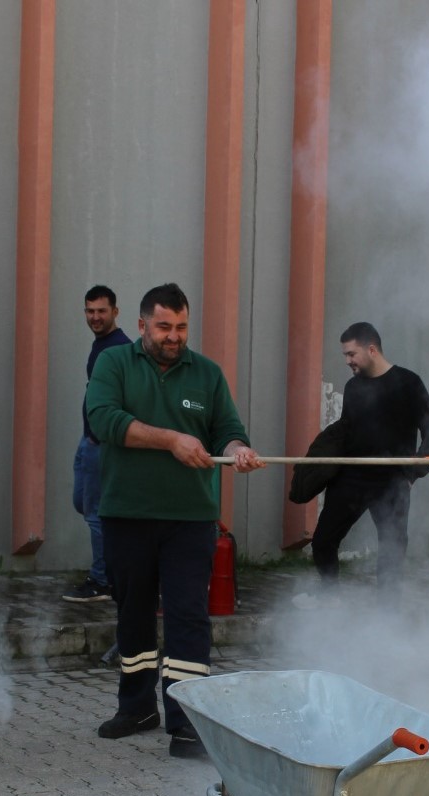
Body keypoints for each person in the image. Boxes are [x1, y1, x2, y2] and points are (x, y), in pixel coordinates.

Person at [84, 282, 264, 758]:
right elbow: (102, 419)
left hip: (190, 520)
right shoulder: (114, 363)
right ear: (142, 324)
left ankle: (187, 723)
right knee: (133, 613)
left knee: (187, 618)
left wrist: (237, 450)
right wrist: (171, 440)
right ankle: (137, 706)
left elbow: (227, 429)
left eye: (181, 327)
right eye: (163, 326)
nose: (173, 336)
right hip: (127, 514)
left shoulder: (206, 373)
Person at [309, 322, 429, 588]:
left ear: (371, 350)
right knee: (323, 541)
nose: (347, 361)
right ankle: (329, 599)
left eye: (351, 354)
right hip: (351, 478)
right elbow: (346, 432)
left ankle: (387, 618)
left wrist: (412, 474)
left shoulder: (409, 383)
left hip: (393, 482)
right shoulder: (353, 387)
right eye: (345, 355)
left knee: (392, 552)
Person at [63, 285, 130, 603]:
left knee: (96, 514)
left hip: (102, 445)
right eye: (90, 311)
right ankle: (113, 574)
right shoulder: (102, 345)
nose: (95, 317)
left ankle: (103, 580)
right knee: (84, 504)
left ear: (115, 312)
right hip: (89, 439)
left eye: (102, 311)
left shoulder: (119, 348)